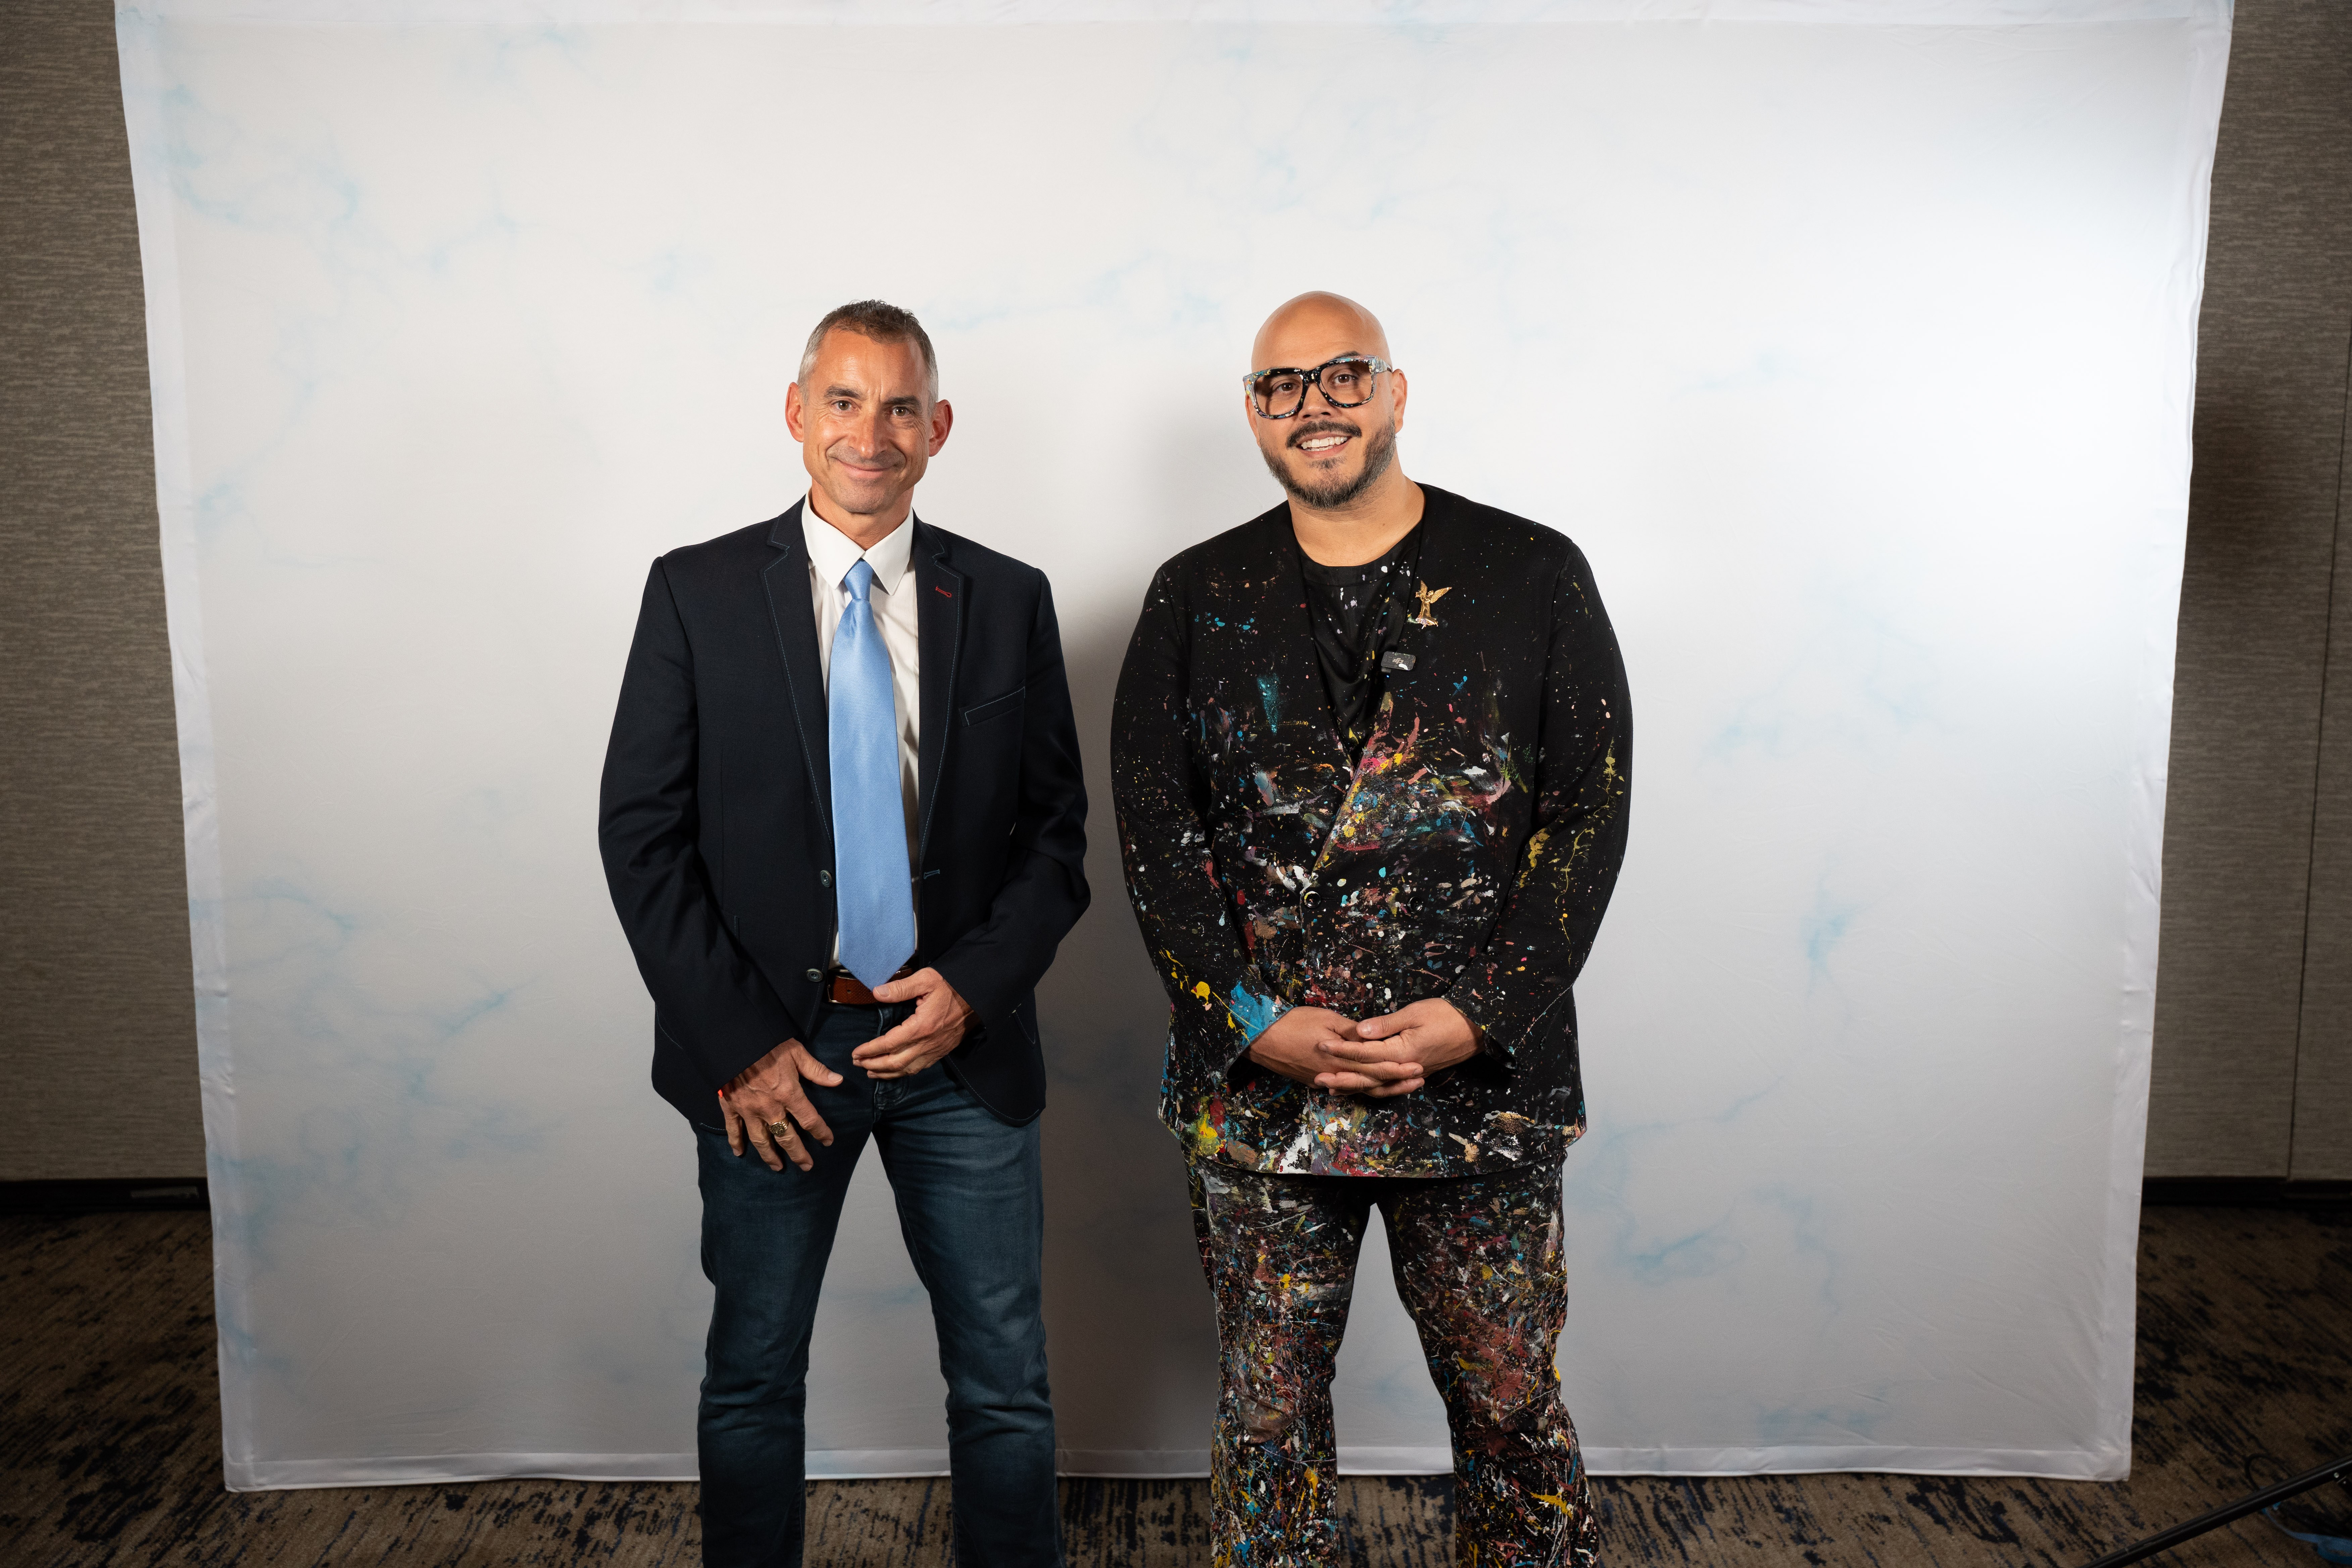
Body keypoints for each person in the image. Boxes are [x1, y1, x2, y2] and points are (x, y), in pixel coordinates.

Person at [1111, 291, 1630, 1565]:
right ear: (1254, 415)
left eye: (1344, 375)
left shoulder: (1532, 574)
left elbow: (1589, 816)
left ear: (1395, 392)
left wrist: (1477, 1015)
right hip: (1266, 1090)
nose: (1315, 406)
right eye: (1281, 386)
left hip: (1478, 1083)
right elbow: (1155, 837)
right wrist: (1251, 1020)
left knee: (1511, 1408)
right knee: (1269, 1420)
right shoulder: (1196, 595)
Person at [599, 299, 1088, 1568]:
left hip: (958, 1049)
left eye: (900, 406)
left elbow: (1055, 841)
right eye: (844, 401)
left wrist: (972, 989)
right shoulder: (696, 593)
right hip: (775, 1059)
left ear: (939, 427)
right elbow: (641, 840)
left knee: (1005, 1382)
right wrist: (742, 1048)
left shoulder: (1010, 597)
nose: (871, 433)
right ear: (796, 414)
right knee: (753, 1376)